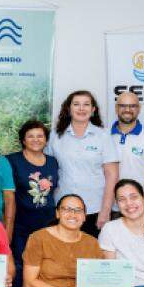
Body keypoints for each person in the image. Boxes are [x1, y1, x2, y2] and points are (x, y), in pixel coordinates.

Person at [46, 91, 118, 235]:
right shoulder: (55, 135)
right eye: (76, 104)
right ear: (68, 108)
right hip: (63, 208)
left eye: (86, 104)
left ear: (93, 110)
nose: (81, 108)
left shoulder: (103, 135)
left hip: (94, 208)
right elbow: (47, 169)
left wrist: (106, 210)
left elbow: (112, 175)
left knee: (91, 255)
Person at [6, 120, 59, 287]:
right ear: (23, 140)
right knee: (19, 267)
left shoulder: (52, 162)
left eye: (40, 136)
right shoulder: (12, 160)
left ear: (45, 139)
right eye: (31, 136)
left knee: (43, 267)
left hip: (47, 225)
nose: (36, 140)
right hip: (21, 224)